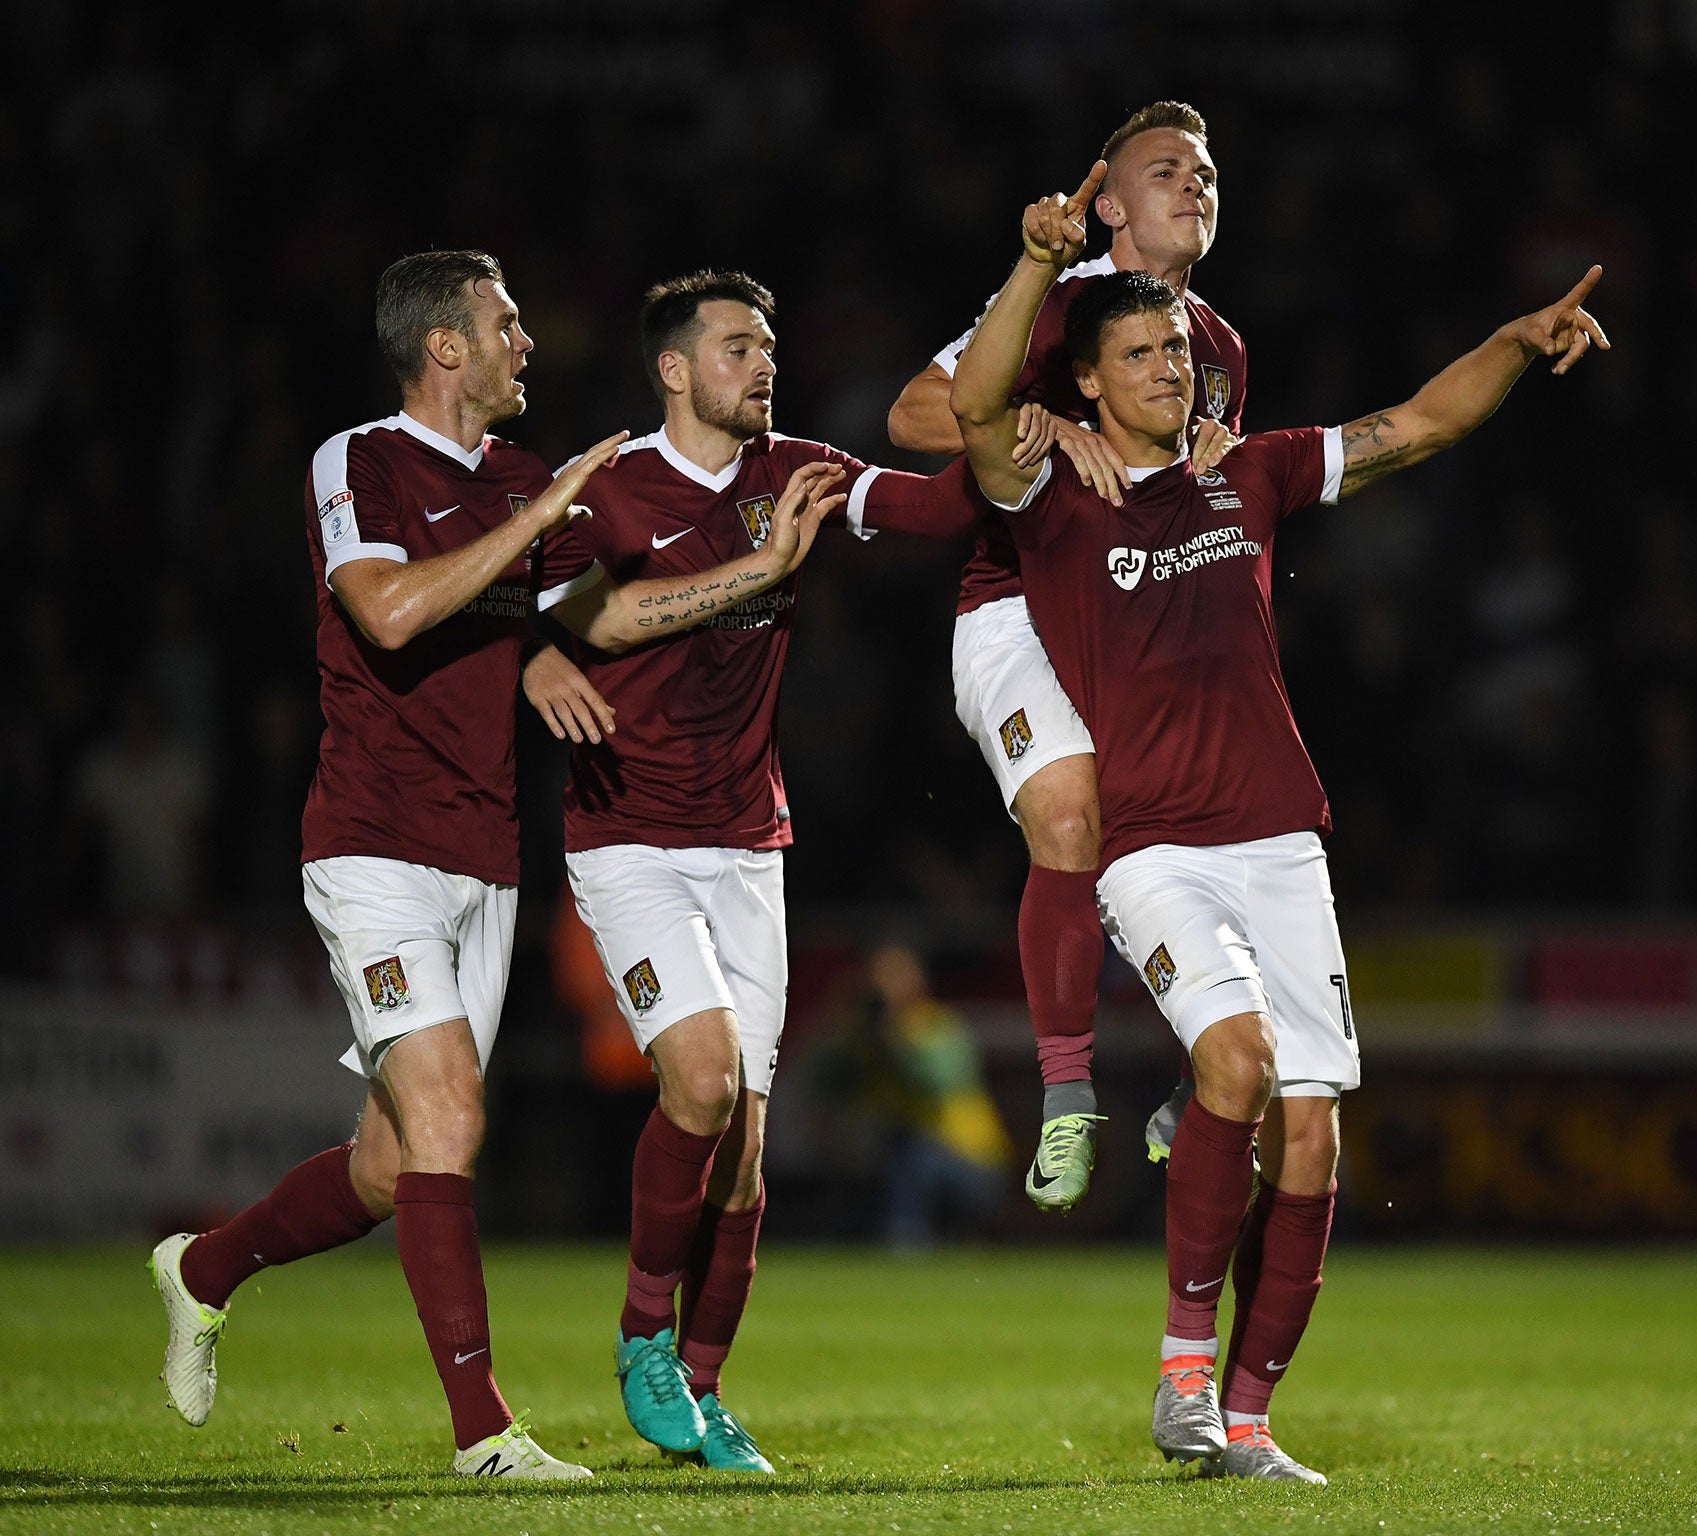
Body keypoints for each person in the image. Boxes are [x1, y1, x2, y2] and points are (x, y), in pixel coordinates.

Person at [950, 164, 1607, 1481]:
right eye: (1135, 354)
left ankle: (1248, 1418)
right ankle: (1183, 1374)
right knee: (1238, 1066)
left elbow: (1414, 426)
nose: (1166, 370)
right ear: (1083, 382)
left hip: (1279, 841)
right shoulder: (1055, 502)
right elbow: (969, 407)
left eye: (1176, 351)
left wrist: (1514, 345)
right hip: (1152, 850)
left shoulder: (1244, 474)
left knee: (1312, 1135)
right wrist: (1034, 263)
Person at [520, 269, 1032, 1473]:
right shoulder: (607, 493)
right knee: (698, 1083)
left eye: (769, 346)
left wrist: (1021, 433)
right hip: (628, 837)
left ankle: (701, 1392)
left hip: (750, 846)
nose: (764, 364)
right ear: (672, 369)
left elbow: (935, 507)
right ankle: (645, 1337)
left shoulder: (794, 471)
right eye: (738, 347)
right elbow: (587, 626)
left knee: (746, 1152)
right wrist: (757, 572)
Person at [148, 250, 627, 1478]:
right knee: (453, 1117)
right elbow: (391, 612)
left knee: (387, 1161)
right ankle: (484, 1436)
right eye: (507, 323)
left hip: (487, 856)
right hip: (371, 843)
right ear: (446, 347)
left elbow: (598, 618)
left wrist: (756, 565)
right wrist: (530, 538)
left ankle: (201, 1268)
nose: (530, 342)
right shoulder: (358, 459)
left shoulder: (526, 476)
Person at [890, 102, 1242, 1211]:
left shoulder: (1220, 350)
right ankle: (1063, 1096)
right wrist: (1041, 425)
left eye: (1204, 170)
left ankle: (1205, 1071)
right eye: (1163, 169)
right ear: (1107, 204)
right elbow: (910, 416)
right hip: (1020, 612)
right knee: (1069, 815)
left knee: (1198, 836)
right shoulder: (1057, 304)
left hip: (1146, 625)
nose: (1192, 184)